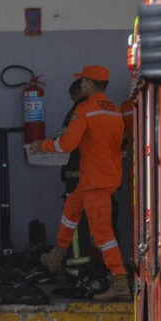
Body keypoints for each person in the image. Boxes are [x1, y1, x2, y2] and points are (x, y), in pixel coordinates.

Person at [29, 65, 130, 302]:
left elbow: (67, 144)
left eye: (82, 82)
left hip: (94, 180)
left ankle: (120, 281)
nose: (80, 85)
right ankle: (56, 255)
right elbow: (122, 145)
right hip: (104, 178)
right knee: (71, 209)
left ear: (90, 84)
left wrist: (40, 145)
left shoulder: (84, 110)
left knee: (102, 234)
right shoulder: (115, 111)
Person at [58, 80, 92, 269]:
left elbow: (66, 142)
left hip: (75, 174)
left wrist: (47, 145)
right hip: (100, 176)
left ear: (77, 93)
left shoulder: (78, 112)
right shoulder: (107, 110)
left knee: (75, 222)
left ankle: (77, 270)